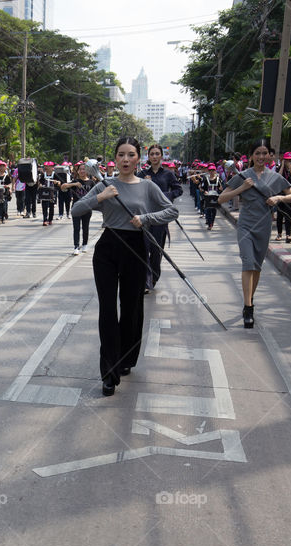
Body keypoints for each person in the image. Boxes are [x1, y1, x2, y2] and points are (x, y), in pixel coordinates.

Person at [72, 136, 177, 396]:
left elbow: (171, 211)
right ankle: (109, 371)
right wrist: (100, 197)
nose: (126, 159)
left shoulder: (147, 187)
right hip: (108, 248)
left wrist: (146, 218)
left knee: (131, 308)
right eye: (121, 155)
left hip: (136, 248)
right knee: (107, 310)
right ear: (115, 159)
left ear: (138, 158)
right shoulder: (106, 185)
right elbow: (76, 210)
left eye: (131, 154)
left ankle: (127, 357)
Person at [219, 139, 291, 328]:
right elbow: (222, 198)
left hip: (264, 226)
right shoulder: (243, 175)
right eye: (257, 153)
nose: (261, 157)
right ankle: (248, 308)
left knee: (256, 266)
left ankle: (250, 298)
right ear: (251, 155)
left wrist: (279, 197)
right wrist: (242, 188)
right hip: (246, 224)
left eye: (265, 153)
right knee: (248, 263)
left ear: (270, 155)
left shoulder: (275, 177)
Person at [137, 144, 183, 289]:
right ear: (148, 156)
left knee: (156, 250)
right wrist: (145, 184)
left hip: (161, 217)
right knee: (143, 248)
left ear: (162, 156)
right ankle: (146, 279)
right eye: (152, 154)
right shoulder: (142, 174)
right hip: (145, 215)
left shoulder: (168, 174)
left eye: (157, 154)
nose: (155, 156)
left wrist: (165, 196)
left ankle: (154, 276)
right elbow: (134, 190)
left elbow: (178, 190)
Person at [62, 163, 94, 255]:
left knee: (85, 227)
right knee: (76, 228)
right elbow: (63, 186)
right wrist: (74, 184)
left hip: (87, 208)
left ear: (87, 171)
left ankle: (84, 244)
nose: (82, 171)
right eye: (80, 169)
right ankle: (76, 246)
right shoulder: (75, 181)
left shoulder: (91, 182)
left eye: (84, 169)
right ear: (78, 171)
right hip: (76, 208)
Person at [198, 164, 223, 231]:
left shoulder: (218, 179)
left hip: (215, 196)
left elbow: (221, 187)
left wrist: (221, 189)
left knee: (214, 210)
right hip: (208, 196)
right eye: (210, 170)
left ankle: (212, 222)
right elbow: (202, 188)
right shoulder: (206, 178)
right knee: (208, 209)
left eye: (213, 170)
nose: (211, 172)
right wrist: (204, 191)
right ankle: (209, 224)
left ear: (215, 171)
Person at [38, 161, 58, 226]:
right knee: (44, 206)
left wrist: (56, 182)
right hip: (45, 192)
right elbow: (40, 182)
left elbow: (59, 182)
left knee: (51, 207)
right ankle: (45, 219)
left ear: (52, 167)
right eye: (46, 166)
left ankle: (50, 219)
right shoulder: (44, 174)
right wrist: (40, 185)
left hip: (52, 193)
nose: (46, 167)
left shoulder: (55, 174)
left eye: (48, 166)